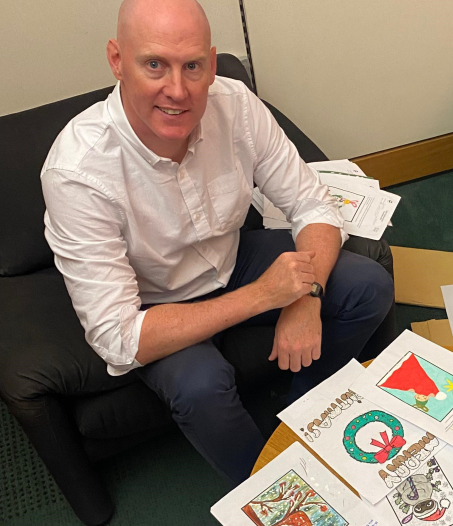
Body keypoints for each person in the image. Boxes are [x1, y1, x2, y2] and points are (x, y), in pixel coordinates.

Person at [40, 0, 394, 486]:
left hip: (231, 259)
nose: (178, 90)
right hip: (155, 300)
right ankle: (270, 488)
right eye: (154, 65)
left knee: (368, 285)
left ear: (210, 62)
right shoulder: (76, 172)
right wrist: (267, 296)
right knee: (201, 386)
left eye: (193, 66)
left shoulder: (237, 104)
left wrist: (306, 296)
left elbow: (313, 207)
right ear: (117, 61)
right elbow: (118, 338)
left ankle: (306, 413)